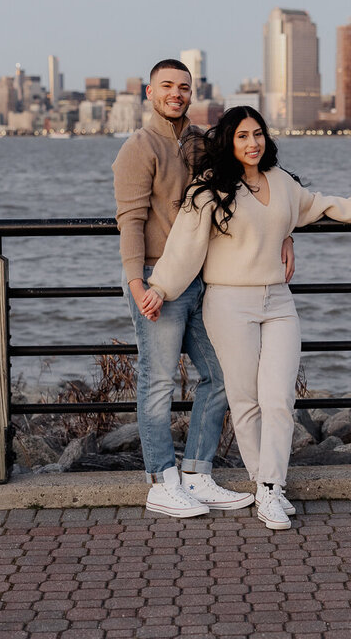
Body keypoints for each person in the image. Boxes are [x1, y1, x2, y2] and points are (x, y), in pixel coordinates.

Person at [143, 106, 351, 530]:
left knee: (279, 399)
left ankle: (271, 489)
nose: (252, 143)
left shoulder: (281, 182)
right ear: (228, 141)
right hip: (228, 303)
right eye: (242, 136)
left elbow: (319, 204)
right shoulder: (209, 188)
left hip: (279, 301)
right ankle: (266, 488)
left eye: (258, 134)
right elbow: (184, 248)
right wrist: (159, 289)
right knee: (245, 401)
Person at [112, 60, 295, 518]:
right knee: (157, 381)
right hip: (158, 279)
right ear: (149, 91)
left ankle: (195, 473)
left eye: (184, 87)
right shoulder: (138, 147)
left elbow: (251, 183)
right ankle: (160, 480)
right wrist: (138, 284)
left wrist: (285, 231)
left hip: (202, 278)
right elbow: (130, 222)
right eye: (167, 86)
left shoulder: (200, 142)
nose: (177, 93)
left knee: (221, 378)